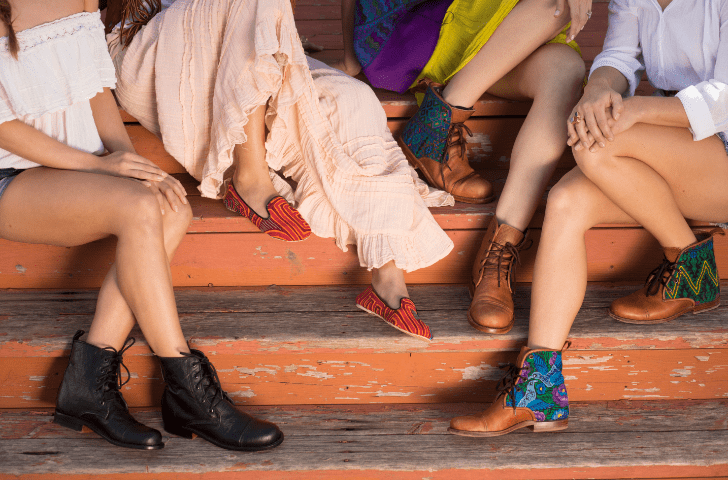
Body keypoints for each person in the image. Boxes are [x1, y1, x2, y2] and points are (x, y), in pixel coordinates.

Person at [0, 0, 282, 451]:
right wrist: (100, 168)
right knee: (138, 208)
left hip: (80, 169)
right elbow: (3, 129)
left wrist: (131, 164)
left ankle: (88, 387)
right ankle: (186, 383)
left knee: (172, 207)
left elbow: (95, 89)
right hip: (11, 177)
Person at [448, 0, 728, 436]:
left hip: (720, 150)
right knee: (565, 201)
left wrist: (632, 112)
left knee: (597, 143)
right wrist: (598, 92)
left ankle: (690, 263)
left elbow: (724, 99)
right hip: (674, 145)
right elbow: (618, 59)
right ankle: (536, 390)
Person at [104, 0, 456, 342]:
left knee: (351, 98)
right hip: (146, 45)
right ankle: (249, 177)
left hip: (227, 33)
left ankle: (387, 277)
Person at [331, 0, 590, 336]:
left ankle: (499, 249)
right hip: (416, 32)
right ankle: (443, 118)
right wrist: (351, 55)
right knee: (556, 5)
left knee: (565, 68)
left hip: (494, 37)